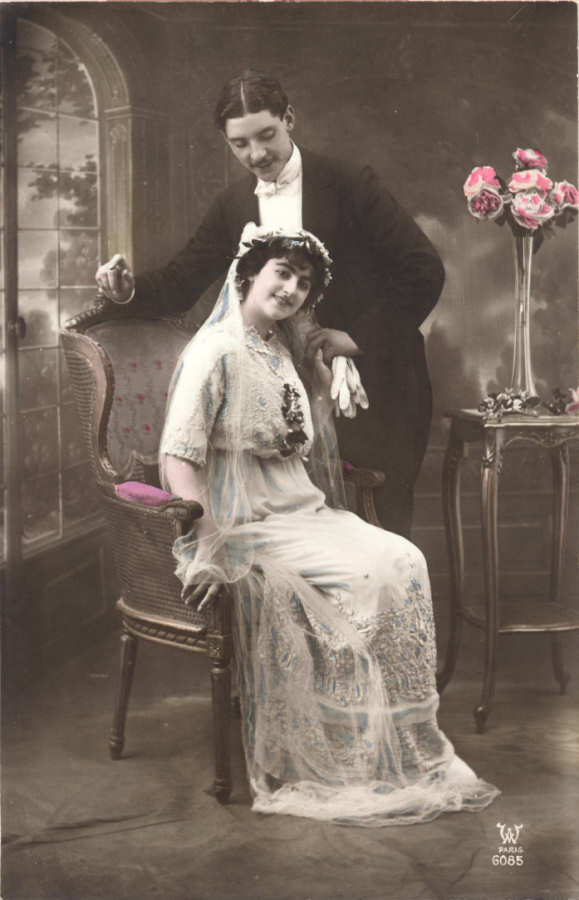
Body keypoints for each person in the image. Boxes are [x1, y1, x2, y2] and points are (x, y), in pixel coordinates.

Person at [159, 222, 498, 826]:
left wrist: (318, 391)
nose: (291, 289)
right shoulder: (212, 352)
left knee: (404, 559)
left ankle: (396, 741)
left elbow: (303, 447)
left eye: (303, 282)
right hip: (247, 522)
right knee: (366, 576)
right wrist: (206, 539)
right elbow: (177, 458)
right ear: (249, 275)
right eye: (281, 274)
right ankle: (345, 750)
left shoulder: (279, 353)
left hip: (301, 510)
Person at [96, 69, 445, 538]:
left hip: (378, 387)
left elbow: (423, 268)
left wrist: (356, 337)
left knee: (383, 532)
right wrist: (127, 292)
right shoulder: (233, 204)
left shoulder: (349, 183)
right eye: (240, 144)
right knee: (305, 536)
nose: (256, 154)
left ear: (289, 119)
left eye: (266, 135)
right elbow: (181, 282)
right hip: (285, 398)